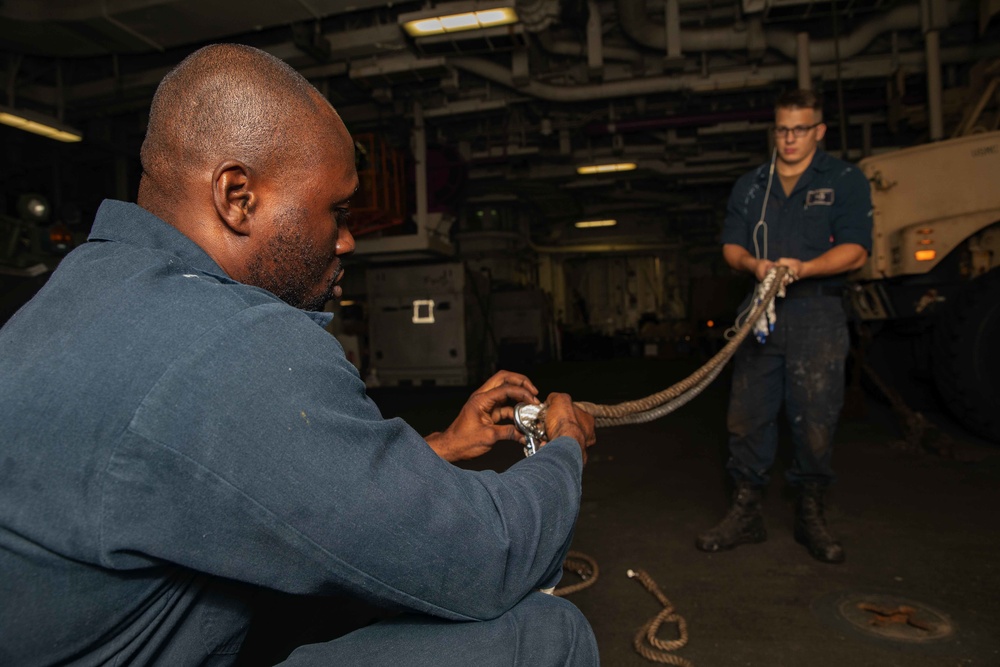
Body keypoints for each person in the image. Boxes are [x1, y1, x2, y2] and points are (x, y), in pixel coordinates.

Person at [0, 44, 598, 666]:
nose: (347, 238)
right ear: (238, 196)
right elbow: (489, 557)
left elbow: (217, 475)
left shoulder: (83, 287)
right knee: (543, 634)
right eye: (335, 211)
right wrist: (563, 450)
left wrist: (438, 448)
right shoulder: (233, 342)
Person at [696, 90, 872, 564]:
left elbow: (856, 250)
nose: (789, 139)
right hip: (761, 316)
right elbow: (731, 246)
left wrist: (802, 268)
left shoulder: (844, 180)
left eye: (799, 129)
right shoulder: (752, 185)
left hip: (818, 314)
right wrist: (755, 265)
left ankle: (811, 510)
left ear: (819, 131)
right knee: (746, 416)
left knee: (815, 417)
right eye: (782, 129)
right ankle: (746, 511)